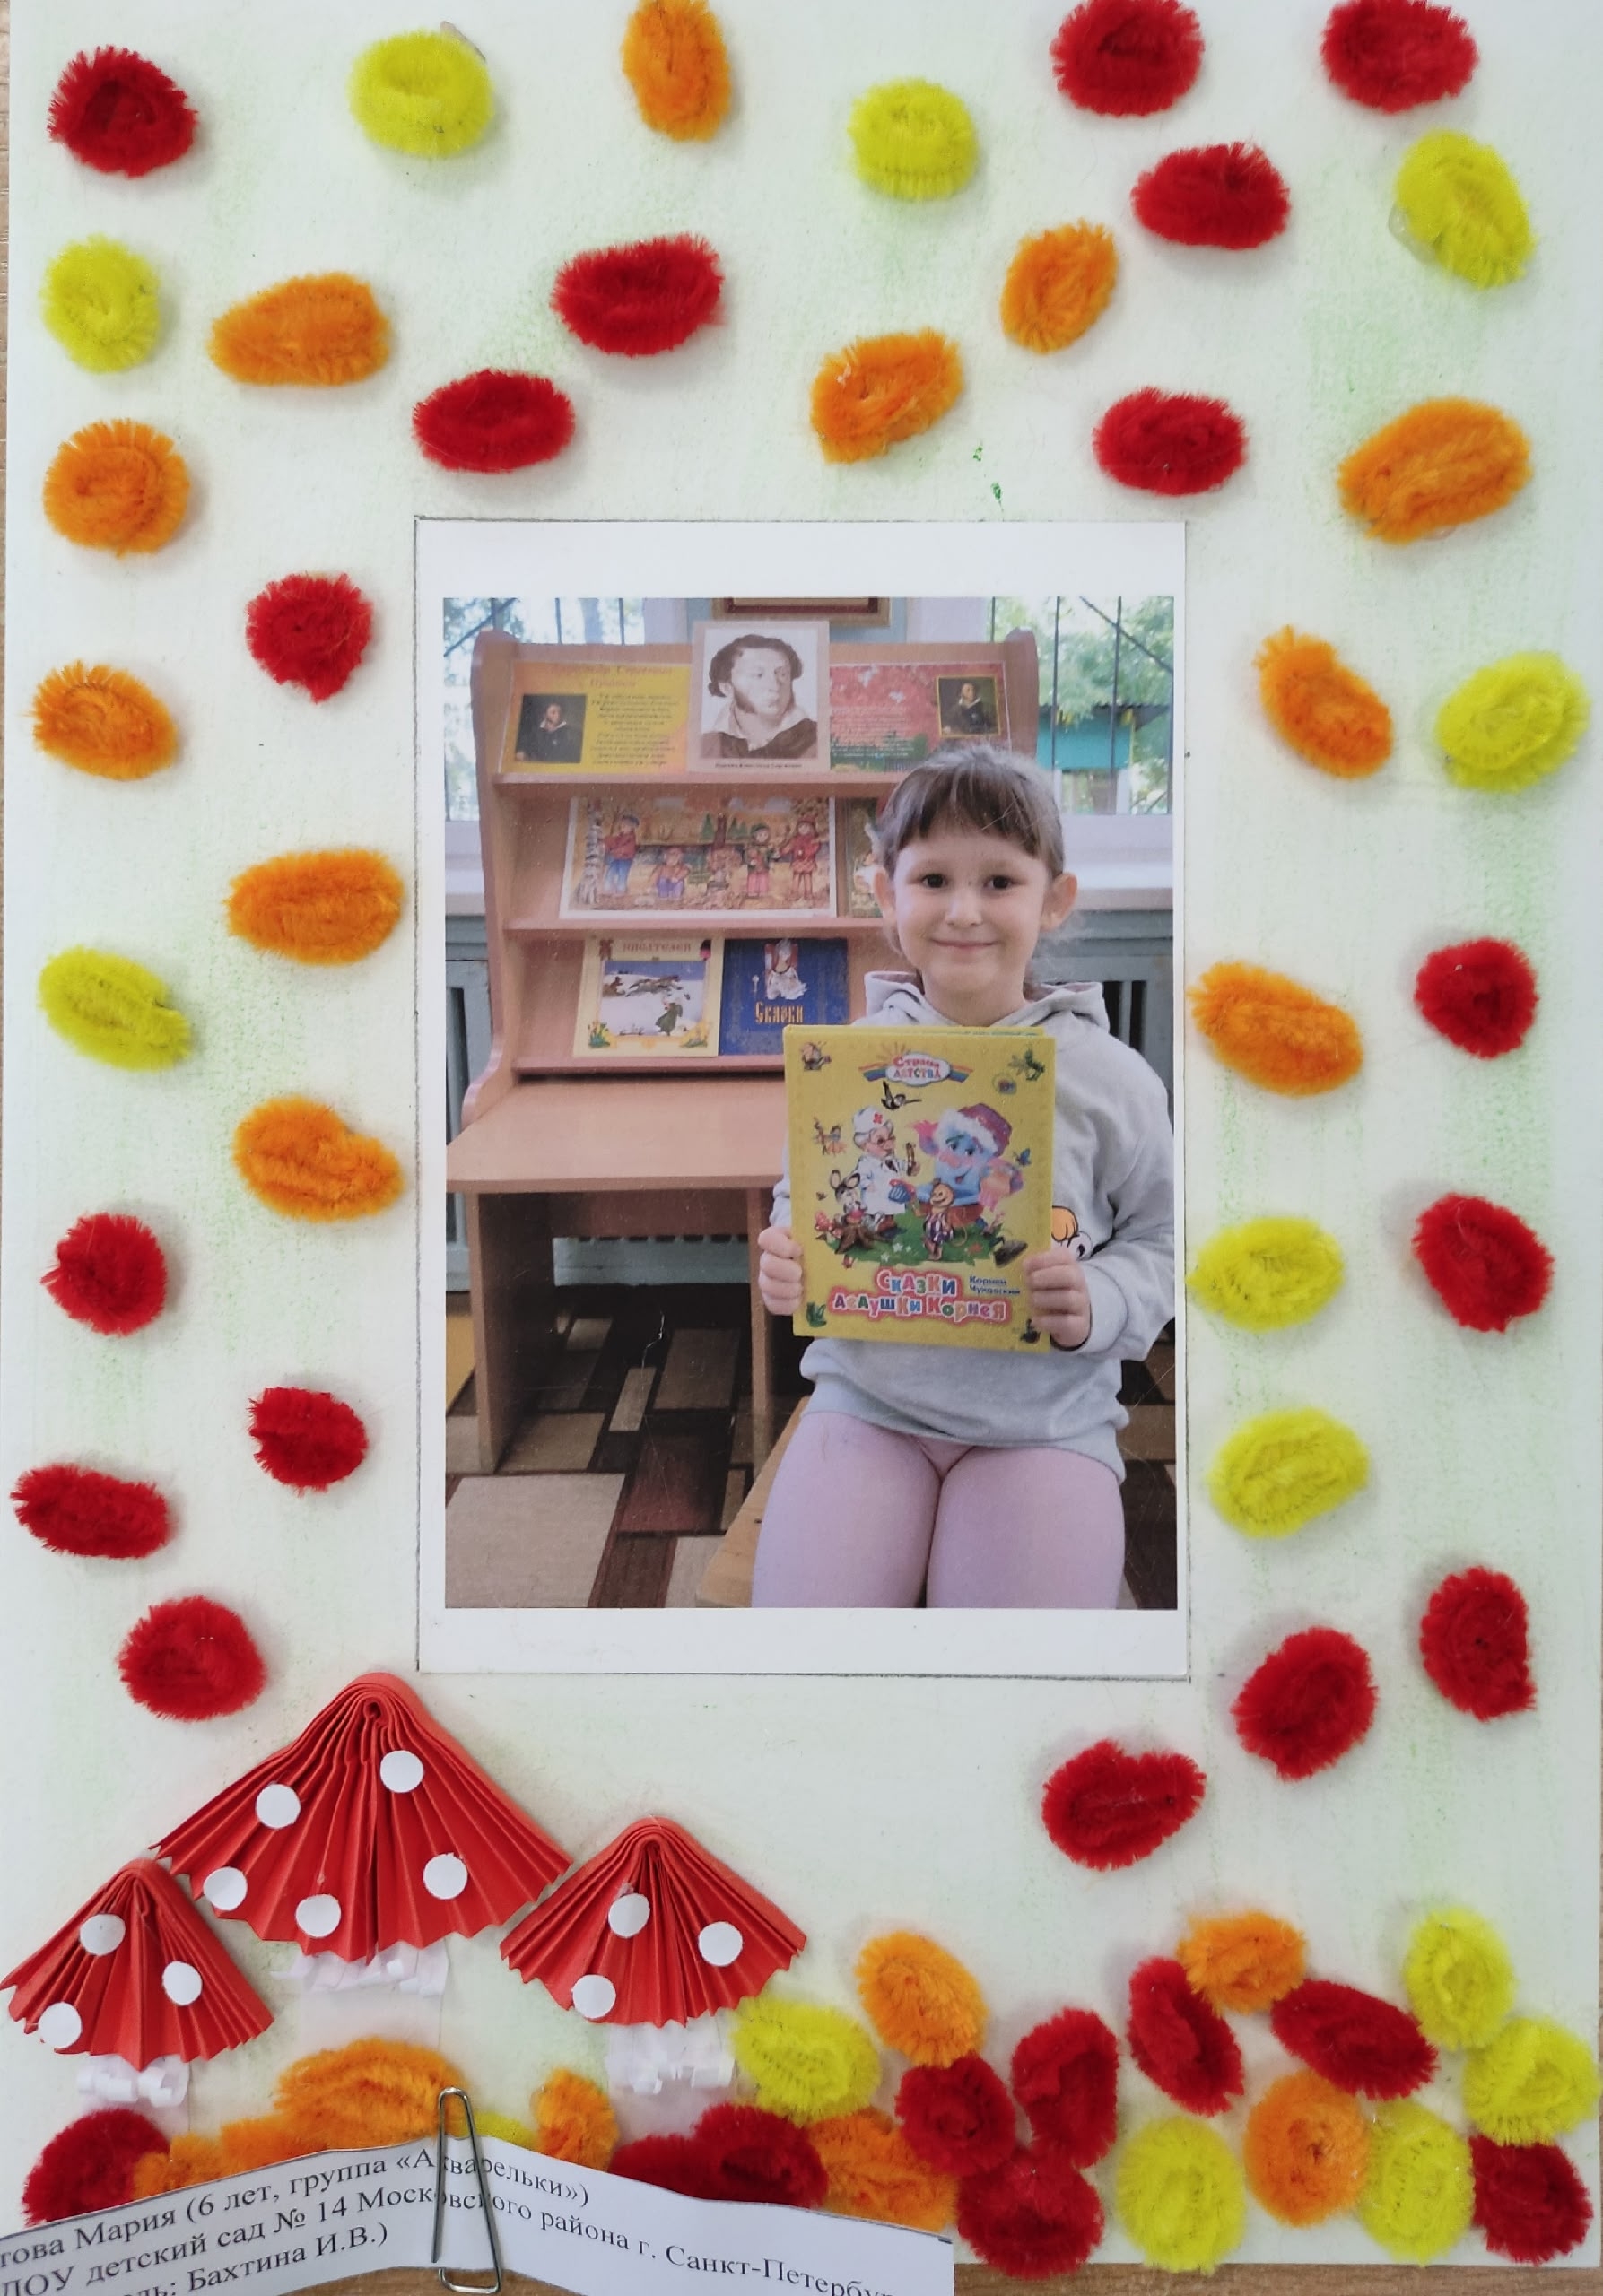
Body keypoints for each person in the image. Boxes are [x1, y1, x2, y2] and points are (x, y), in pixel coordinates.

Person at [754, 744, 1173, 1610]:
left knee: (1018, 1672)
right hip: (868, 1405)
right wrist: (788, 1257)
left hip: (1044, 1425)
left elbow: (1166, 1238)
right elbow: (809, 1196)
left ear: (1054, 899)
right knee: (804, 1658)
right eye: (933, 879)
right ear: (886, 895)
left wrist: (1099, 1297)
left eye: (999, 882)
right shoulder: (847, 1062)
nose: (963, 911)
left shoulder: (1113, 1080)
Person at [702, 635, 817, 761]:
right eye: (758, 675)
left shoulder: (819, 740)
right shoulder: (705, 746)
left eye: (783, 674)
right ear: (727, 688)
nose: (774, 686)